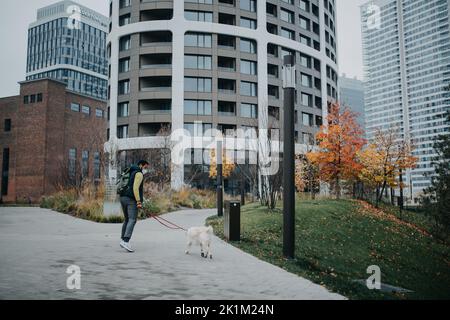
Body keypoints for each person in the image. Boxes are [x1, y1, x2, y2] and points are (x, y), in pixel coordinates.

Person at [119, 160, 149, 252]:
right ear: (141, 165)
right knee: (132, 220)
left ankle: (122, 240)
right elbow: (135, 188)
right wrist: (138, 201)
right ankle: (126, 241)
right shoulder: (139, 174)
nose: (146, 169)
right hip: (131, 199)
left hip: (122, 197)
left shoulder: (130, 170)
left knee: (127, 219)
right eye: (145, 167)